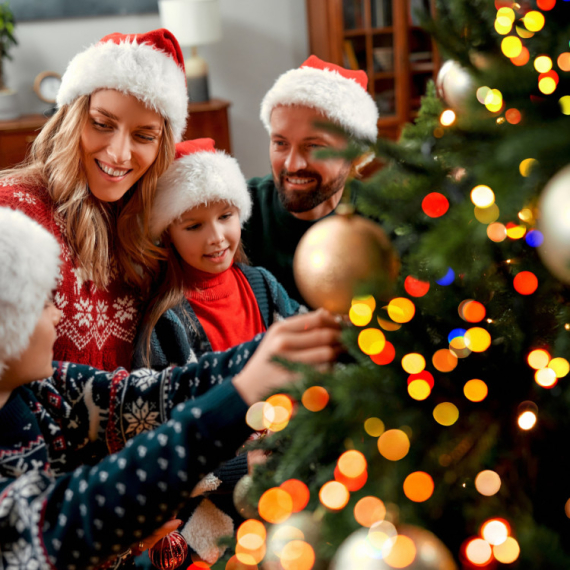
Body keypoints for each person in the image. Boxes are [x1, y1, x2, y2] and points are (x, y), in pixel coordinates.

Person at [0, 207, 342, 570]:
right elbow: (82, 511)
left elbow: (156, 394)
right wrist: (240, 395)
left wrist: (272, 348)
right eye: (42, 304)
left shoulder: (45, 388)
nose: (58, 314)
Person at [0, 28, 188, 370]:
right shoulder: (13, 213)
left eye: (144, 136)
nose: (118, 154)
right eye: (102, 124)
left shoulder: (156, 228)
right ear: (73, 119)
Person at [134, 138, 304, 371]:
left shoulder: (263, 285)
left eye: (225, 217)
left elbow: (305, 340)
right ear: (168, 235)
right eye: (194, 227)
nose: (216, 237)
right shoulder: (165, 322)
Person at [242, 55, 380, 304]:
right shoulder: (237, 212)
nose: (292, 165)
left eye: (314, 146)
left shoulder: (383, 219)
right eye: (280, 143)